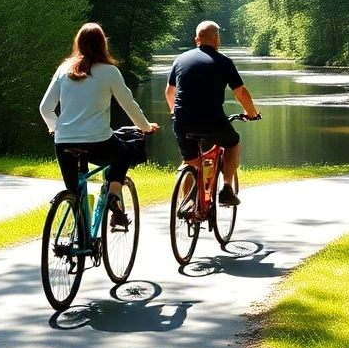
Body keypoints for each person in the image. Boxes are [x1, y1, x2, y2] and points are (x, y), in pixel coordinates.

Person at [40, 22, 158, 227]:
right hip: (98, 141)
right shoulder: (109, 72)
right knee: (123, 157)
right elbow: (128, 104)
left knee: (75, 193)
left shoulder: (63, 70)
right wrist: (146, 127)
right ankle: (113, 197)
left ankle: (77, 238)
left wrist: (55, 127)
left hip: (64, 142)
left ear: (78, 43)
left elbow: (45, 108)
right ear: (103, 44)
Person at [165, 20, 259, 206]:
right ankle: (226, 188)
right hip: (212, 121)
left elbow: (169, 91)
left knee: (191, 161)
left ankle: (187, 205)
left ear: (196, 39)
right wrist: (252, 113)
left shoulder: (180, 60)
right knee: (232, 142)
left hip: (182, 122)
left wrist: (175, 112)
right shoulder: (223, 61)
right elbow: (240, 92)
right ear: (216, 39)